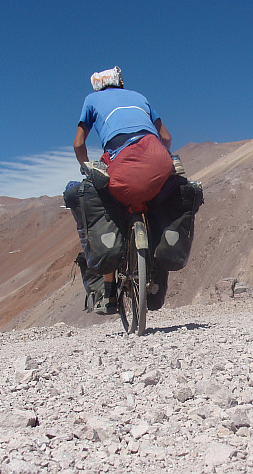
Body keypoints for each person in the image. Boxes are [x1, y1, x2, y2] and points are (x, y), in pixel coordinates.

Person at [73, 66, 173, 314]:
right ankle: (157, 275)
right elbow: (167, 137)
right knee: (156, 203)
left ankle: (108, 293)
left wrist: (86, 168)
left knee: (106, 208)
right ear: (120, 83)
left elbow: (78, 144)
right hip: (159, 158)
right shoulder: (140, 97)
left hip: (121, 162)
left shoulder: (91, 100)